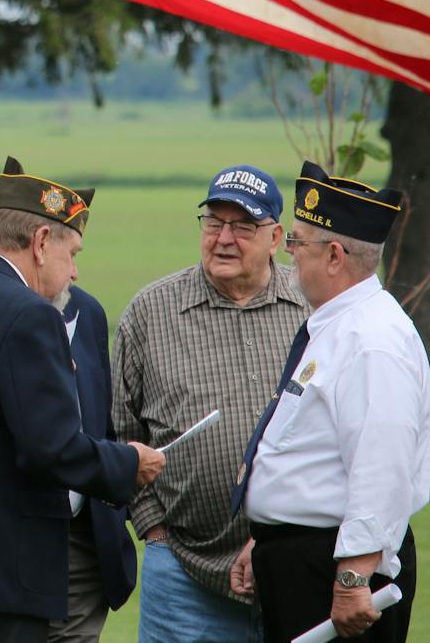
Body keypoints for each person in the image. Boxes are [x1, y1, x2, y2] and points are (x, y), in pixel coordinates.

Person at [0, 156, 165, 643]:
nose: (76, 272)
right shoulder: (29, 315)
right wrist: (127, 463)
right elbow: (51, 447)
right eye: (73, 252)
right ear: (42, 243)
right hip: (3, 572)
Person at [228, 162, 430, 641]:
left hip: (336, 568)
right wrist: (267, 533)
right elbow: (311, 453)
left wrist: (354, 577)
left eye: (297, 243)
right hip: (306, 558)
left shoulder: (372, 339)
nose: (290, 255)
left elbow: (380, 464)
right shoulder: (339, 325)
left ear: (336, 256)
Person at [112, 164, 307, 643]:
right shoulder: (150, 312)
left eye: (243, 226)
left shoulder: (313, 308)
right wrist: (152, 528)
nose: (224, 238)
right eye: (213, 223)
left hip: (294, 561)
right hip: (182, 569)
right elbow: (117, 430)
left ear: (277, 236)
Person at [52, 280, 138, 643]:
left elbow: (103, 422)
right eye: (67, 252)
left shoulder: (85, 311)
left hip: (81, 545)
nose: (74, 270)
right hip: (5, 549)